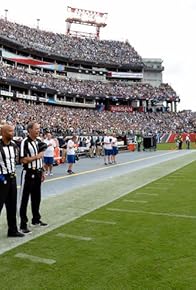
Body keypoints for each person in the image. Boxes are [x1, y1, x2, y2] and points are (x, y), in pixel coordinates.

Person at [19, 121, 48, 234]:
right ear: (30, 130)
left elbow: (41, 160)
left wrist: (42, 171)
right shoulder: (24, 142)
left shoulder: (39, 141)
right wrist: (37, 156)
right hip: (28, 173)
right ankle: (22, 224)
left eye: (39, 128)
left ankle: (36, 219)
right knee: (24, 199)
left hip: (37, 173)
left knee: (37, 198)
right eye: (36, 129)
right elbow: (23, 160)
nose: (38, 130)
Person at [0, 124, 24, 237]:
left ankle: (13, 230)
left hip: (12, 177)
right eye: (10, 131)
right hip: (1, 178)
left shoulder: (14, 145)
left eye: (13, 131)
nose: (12, 133)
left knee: (12, 205)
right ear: (3, 133)